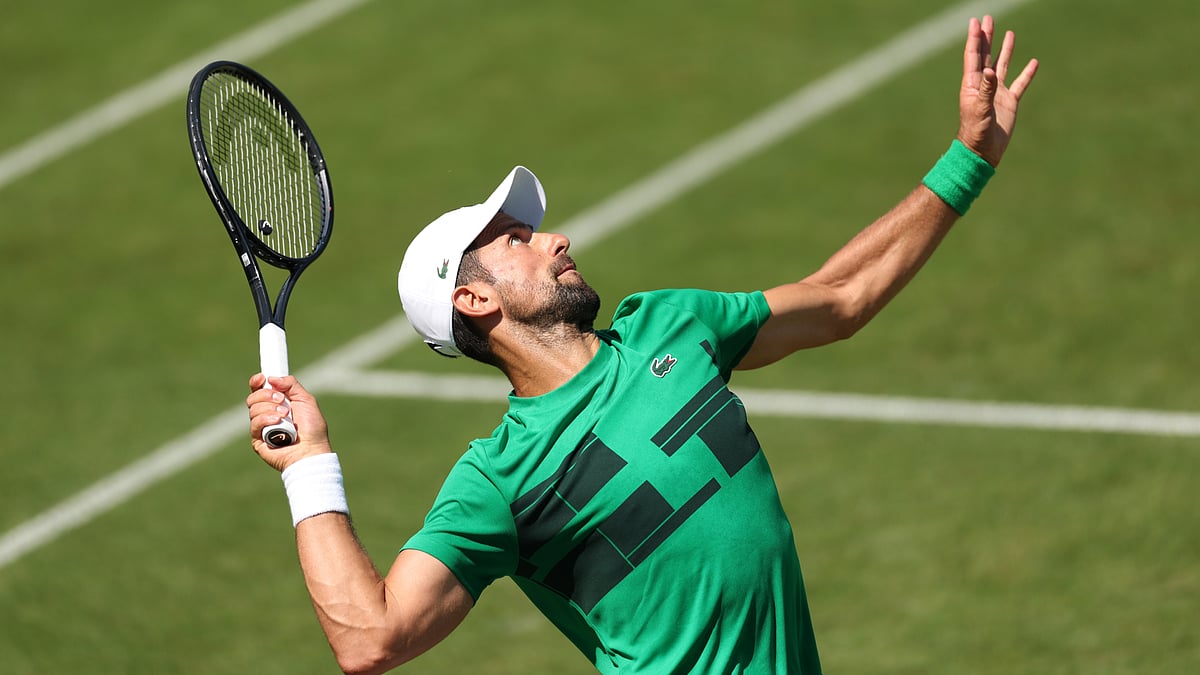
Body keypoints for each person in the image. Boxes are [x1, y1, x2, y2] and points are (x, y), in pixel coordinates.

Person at [246, 15, 1037, 674]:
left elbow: (839, 298)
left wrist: (968, 159)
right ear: (474, 299)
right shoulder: (500, 480)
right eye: (518, 239)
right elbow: (371, 637)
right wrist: (310, 466)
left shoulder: (672, 325)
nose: (555, 238)